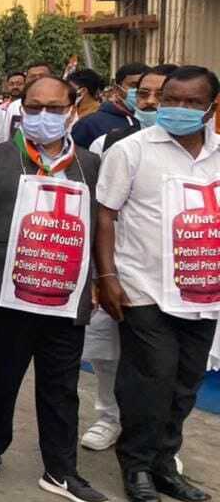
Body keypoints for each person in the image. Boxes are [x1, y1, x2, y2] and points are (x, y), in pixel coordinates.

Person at [0, 75, 109, 502]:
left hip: (66, 290)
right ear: (22, 109)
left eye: (55, 108)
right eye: (36, 107)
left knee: (61, 382)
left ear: (73, 108)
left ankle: (61, 469)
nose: (45, 116)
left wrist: (100, 278)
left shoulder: (90, 165)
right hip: (11, 286)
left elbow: (100, 226)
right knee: (1, 373)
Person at [95, 65, 220, 502]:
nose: (179, 109)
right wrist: (106, 277)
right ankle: (137, 466)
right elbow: (105, 214)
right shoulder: (132, 150)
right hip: (142, 286)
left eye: (191, 103)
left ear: (210, 108)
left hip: (203, 291)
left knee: (186, 383)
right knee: (151, 378)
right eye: (172, 100)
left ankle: (166, 463)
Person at [79, 67, 170, 451]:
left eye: (159, 95)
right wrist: (101, 273)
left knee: (163, 366)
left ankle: (157, 438)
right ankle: (109, 417)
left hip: (176, 275)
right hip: (118, 269)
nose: (149, 102)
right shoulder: (111, 143)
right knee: (107, 351)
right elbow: (96, 209)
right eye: (141, 92)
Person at [72, 62, 149, 149]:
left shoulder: (158, 121)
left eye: (146, 87)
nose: (141, 91)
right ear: (117, 89)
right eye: (134, 86)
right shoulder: (90, 124)